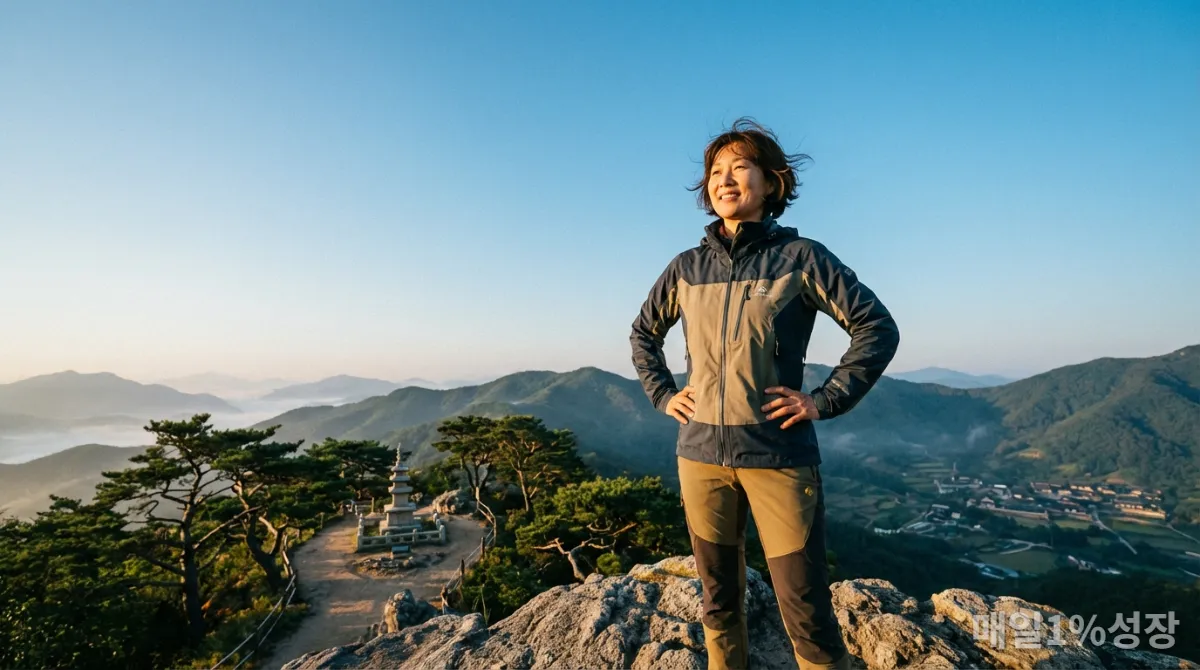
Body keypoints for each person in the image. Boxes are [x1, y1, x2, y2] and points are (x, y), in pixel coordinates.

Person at [630, 118, 900, 670]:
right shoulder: (686, 267)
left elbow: (877, 327)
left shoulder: (802, 257)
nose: (724, 180)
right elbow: (643, 335)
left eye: (740, 168)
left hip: (779, 456)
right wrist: (663, 394)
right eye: (715, 172)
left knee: (804, 607)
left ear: (771, 182)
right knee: (718, 600)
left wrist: (822, 401)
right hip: (699, 457)